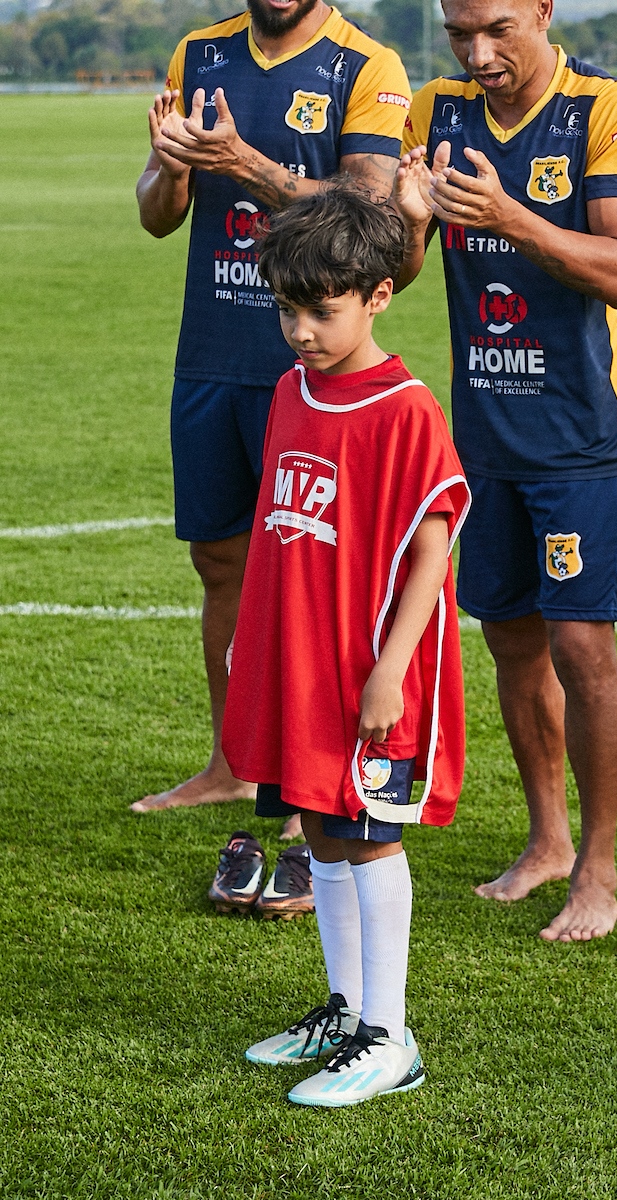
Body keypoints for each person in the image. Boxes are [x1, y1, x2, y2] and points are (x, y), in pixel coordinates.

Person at [393, 0, 617, 942]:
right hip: (486, 431)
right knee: (508, 636)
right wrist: (408, 214)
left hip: (585, 433)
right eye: (459, 34)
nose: (478, 54)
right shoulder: (436, 111)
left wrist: (510, 216)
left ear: (544, 11)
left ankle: (598, 868)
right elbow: (407, 261)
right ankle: (546, 841)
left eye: (499, 30)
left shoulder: (607, 108)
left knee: (581, 648)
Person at [221, 187, 470, 1106]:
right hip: (298, 659)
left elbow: (435, 544)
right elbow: (278, 528)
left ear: (377, 296)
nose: (299, 330)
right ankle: (342, 1005)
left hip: (367, 667)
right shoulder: (292, 390)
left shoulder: (405, 410)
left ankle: (388, 1035)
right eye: (287, 309)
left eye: (320, 311)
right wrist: (255, 638)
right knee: (322, 829)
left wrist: (391, 670)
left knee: (369, 839)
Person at [132, 0, 411, 815]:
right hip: (212, 357)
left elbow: (371, 213)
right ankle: (232, 764)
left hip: (314, 364)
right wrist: (174, 165)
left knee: (313, 571)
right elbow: (157, 216)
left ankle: (315, 771)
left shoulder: (367, 65)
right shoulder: (200, 52)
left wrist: (244, 161)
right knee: (219, 564)